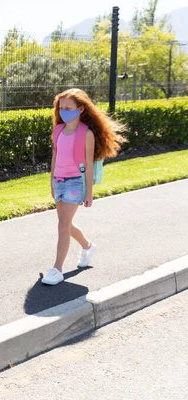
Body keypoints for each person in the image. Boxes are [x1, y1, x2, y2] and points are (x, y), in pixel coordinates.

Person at [42, 88, 125, 286]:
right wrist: (51, 181)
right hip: (59, 181)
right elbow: (55, 156)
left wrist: (89, 192)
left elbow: (88, 164)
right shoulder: (58, 130)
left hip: (75, 183)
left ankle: (57, 270)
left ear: (80, 109)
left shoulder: (86, 134)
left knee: (62, 225)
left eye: (68, 108)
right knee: (66, 224)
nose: (63, 111)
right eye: (61, 108)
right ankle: (88, 246)